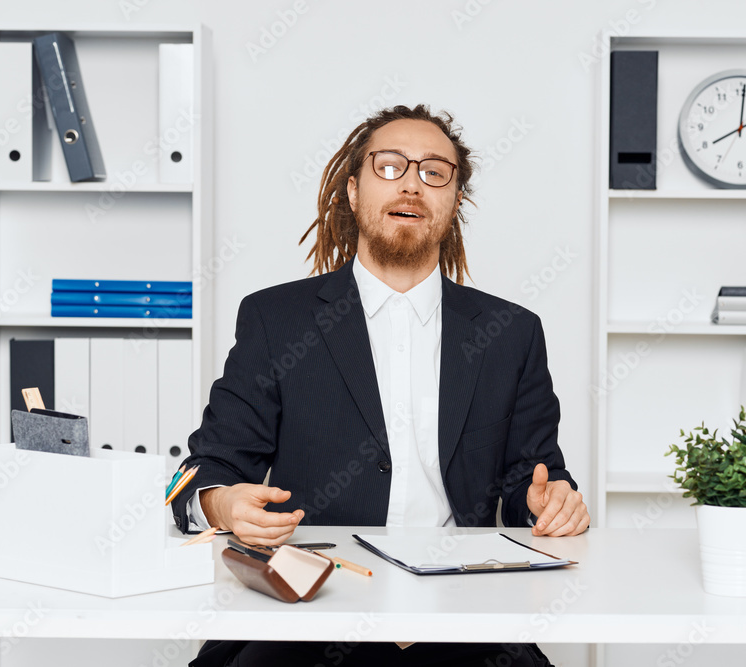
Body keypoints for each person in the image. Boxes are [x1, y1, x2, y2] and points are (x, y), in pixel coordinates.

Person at [171, 104, 589, 667]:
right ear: (352, 190)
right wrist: (220, 503)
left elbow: (532, 483)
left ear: (455, 200)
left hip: (464, 614)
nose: (413, 184)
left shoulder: (510, 332)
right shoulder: (277, 320)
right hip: (311, 610)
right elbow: (206, 468)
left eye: (434, 171)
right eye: (390, 166)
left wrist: (549, 503)